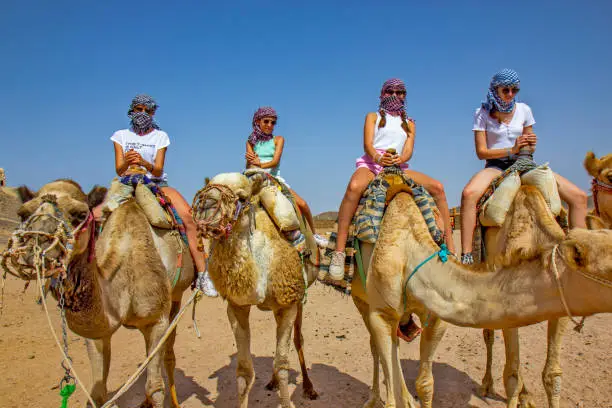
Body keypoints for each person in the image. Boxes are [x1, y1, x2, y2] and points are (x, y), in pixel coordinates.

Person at [459, 69, 588, 264]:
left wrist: (530, 143)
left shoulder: (524, 110)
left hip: (524, 163)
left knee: (578, 197)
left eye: (514, 90)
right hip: (496, 166)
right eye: (506, 90)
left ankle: (580, 252)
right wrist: (511, 150)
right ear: (495, 90)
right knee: (469, 194)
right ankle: (466, 256)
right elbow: (482, 152)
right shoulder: (482, 113)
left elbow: (529, 146)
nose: (510, 94)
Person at [109, 94, 219, 297]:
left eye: (147, 111)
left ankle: (202, 273)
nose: (142, 114)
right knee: (96, 216)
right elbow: (119, 168)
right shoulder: (120, 135)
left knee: (188, 217)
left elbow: (158, 170)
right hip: (126, 183)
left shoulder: (160, 137)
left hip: (155, 183)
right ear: (132, 110)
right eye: (139, 109)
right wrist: (128, 162)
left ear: (153, 113)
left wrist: (144, 162)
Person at [245, 106, 328, 247]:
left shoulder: (278, 140)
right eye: (266, 121)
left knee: (302, 204)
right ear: (258, 121)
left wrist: (259, 165)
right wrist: (253, 164)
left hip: (274, 179)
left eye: (273, 122)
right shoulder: (250, 142)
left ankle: (314, 234)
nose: (270, 125)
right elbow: (249, 166)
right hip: (255, 178)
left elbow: (275, 162)